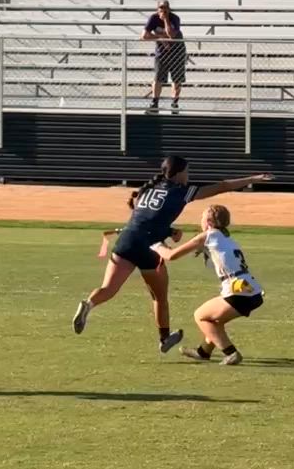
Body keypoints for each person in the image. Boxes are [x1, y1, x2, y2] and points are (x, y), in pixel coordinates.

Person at [72, 155, 273, 354]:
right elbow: (222, 186)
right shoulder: (182, 192)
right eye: (187, 172)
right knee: (159, 297)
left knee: (108, 288)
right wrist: (252, 179)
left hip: (126, 240)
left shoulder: (148, 189)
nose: (188, 176)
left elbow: (147, 219)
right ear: (178, 174)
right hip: (149, 246)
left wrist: (169, 230)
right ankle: (164, 338)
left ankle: (89, 304)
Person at [150, 204, 264, 366]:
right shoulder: (225, 237)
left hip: (237, 291)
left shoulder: (208, 236)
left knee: (200, 316)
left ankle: (231, 353)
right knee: (214, 321)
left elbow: (171, 256)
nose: (200, 221)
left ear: (209, 222)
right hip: (251, 290)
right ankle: (203, 352)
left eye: (202, 218)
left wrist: (154, 245)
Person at [142, 0, 186, 113]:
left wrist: (165, 20)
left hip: (177, 51)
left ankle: (174, 103)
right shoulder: (153, 18)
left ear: (169, 9)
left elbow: (171, 35)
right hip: (162, 52)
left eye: (165, 8)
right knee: (158, 78)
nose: (163, 10)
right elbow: (144, 36)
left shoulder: (174, 18)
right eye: (161, 8)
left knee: (177, 79)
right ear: (157, 9)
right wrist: (160, 38)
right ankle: (154, 102)